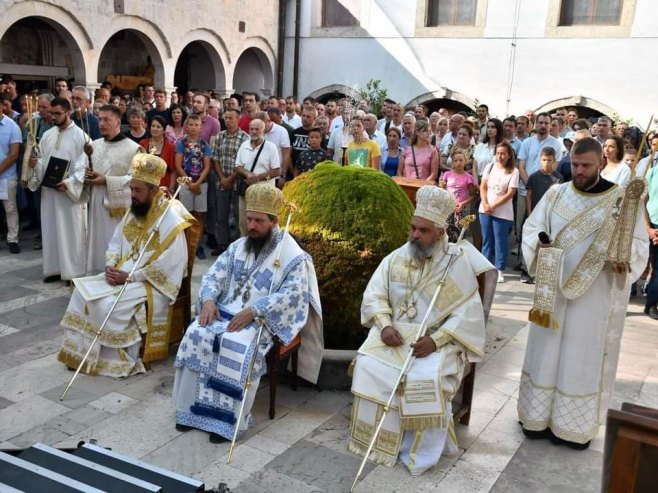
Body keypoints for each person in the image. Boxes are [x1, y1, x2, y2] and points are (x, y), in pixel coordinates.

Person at [350, 185, 495, 476]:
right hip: (394, 336)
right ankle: (378, 440)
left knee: (422, 378)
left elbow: (467, 313)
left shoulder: (455, 265)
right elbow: (375, 295)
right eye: (413, 228)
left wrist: (436, 339)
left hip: (437, 343)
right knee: (367, 363)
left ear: (441, 233)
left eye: (424, 231)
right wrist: (384, 324)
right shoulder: (395, 259)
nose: (415, 235)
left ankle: (416, 450)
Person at [518, 137, 648, 449]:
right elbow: (531, 229)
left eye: (586, 165)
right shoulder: (555, 193)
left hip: (594, 295)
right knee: (545, 352)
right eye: (575, 164)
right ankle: (536, 417)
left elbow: (639, 245)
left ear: (601, 163)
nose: (578, 170)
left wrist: (621, 256)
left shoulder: (622, 201)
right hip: (553, 293)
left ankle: (571, 426)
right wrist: (541, 245)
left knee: (581, 357)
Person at [173, 183, 323, 442]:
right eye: (249, 219)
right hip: (223, 312)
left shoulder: (292, 255)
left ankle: (224, 421)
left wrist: (255, 310)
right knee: (196, 333)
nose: (251, 225)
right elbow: (214, 274)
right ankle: (189, 411)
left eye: (258, 221)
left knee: (235, 345)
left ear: (274, 221)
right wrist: (208, 299)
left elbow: (294, 295)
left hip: (260, 322)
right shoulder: (239, 246)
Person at [58, 154, 197, 377]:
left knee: (106, 304)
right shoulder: (135, 210)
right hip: (121, 273)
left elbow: (173, 264)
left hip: (149, 282)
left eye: (137, 190)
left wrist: (131, 277)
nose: (132, 195)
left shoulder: (171, 218)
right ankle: (80, 354)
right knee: (80, 294)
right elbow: (115, 241)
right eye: (131, 189)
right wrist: (110, 265)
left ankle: (112, 360)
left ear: (153, 190)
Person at [27, 97, 87, 282]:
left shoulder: (81, 136)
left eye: (57, 113)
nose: (53, 117)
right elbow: (43, 160)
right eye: (52, 113)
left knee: (70, 232)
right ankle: (54, 269)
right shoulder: (48, 134)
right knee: (51, 228)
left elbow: (84, 165)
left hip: (68, 194)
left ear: (68, 112)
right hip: (50, 192)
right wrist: (35, 164)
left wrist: (69, 183)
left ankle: (73, 271)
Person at [83, 105, 141, 274]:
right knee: (97, 240)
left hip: (119, 207)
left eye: (106, 119)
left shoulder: (133, 148)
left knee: (115, 241)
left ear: (117, 122)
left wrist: (106, 180)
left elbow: (135, 179)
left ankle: (117, 273)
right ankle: (96, 272)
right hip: (95, 201)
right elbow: (81, 168)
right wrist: (85, 175)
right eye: (99, 119)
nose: (101, 123)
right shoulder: (94, 145)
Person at [479, 142, 519, 283]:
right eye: (498, 153)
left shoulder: (514, 171)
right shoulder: (489, 167)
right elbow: (483, 187)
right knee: (487, 240)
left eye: (503, 153)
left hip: (502, 212)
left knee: (500, 240)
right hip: (485, 210)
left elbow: (510, 193)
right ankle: (485, 267)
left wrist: (493, 205)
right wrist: (485, 204)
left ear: (509, 155)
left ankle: (500, 269)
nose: (500, 156)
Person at [211, 108, 249, 256]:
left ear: (238, 119)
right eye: (225, 118)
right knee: (221, 216)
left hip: (237, 182)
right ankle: (222, 246)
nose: (227, 120)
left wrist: (230, 179)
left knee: (239, 217)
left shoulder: (244, 139)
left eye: (230, 118)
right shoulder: (220, 136)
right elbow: (216, 158)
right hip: (222, 182)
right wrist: (222, 178)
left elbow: (243, 163)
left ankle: (237, 248)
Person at [522, 147, 563, 283]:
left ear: (554, 161)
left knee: (547, 243)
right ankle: (527, 270)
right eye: (544, 160)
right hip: (535, 216)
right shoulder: (534, 176)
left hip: (550, 217)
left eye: (549, 160)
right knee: (531, 242)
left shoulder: (558, 178)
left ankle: (544, 272)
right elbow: (529, 196)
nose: (546, 163)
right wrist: (529, 213)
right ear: (540, 160)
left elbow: (560, 198)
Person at [175, 113, 212, 259]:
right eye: (190, 125)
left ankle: (197, 244)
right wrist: (190, 183)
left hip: (201, 184)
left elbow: (207, 166)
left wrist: (197, 183)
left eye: (196, 125)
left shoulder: (204, 144)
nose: (193, 128)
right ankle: (185, 244)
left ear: (200, 127)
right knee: (186, 214)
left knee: (200, 215)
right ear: (186, 126)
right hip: (185, 184)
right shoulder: (181, 143)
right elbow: (178, 166)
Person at [235, 119, 280, 236]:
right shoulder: (244, 145)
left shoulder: (271, 147)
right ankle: (245, 250)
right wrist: (247, 174)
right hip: (247, 192)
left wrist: (258, 178)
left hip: (264, 193)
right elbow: (238, 166)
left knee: (262, 224)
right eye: (252, 129)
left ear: (263, 130)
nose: (254, 132)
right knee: (244, 223)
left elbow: (276, 171)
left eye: (257, 129)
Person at [0, 96, 22, 253]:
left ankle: (12, 239)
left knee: (10, 209)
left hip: (7, 175)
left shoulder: (12, 126)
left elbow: (14, 154)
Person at [439, 149, 477, 231]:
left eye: (461, 160)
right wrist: (441, 185)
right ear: (452, 162)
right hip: (448, 208)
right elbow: (441, 190)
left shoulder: (468, 177)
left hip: (461, 210)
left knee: (459, 233)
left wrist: (463, 204)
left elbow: (472, 195)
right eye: (455, 161)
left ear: (465, 161)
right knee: (446, 232)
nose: (458, 162)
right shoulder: (447, 174)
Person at [140, 115, 176, 189]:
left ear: (164, 130)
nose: (155, 129)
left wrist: (171, 190)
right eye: (153, 126)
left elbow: (173, 171)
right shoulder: (143, 143)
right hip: (144, 186)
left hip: (163, 185)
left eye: (158, 127)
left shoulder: (170, 147)